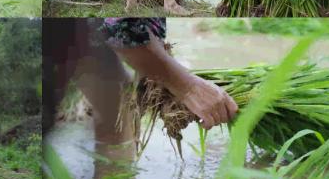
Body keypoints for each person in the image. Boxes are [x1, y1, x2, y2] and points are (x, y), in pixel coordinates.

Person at [43, 18, 238, 142]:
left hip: (80, 34)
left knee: (117, 104)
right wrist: (187, 87)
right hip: (54, 34)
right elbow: (124, 30)